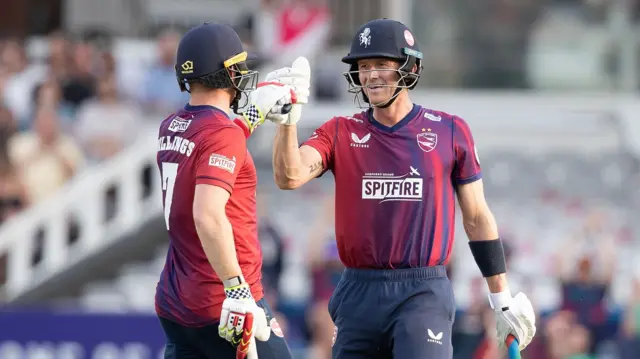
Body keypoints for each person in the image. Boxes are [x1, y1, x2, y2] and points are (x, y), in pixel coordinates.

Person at [263, 18, 536, 358]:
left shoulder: (450, 131)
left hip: (422, 291)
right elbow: (290, 176)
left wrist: (501, 299)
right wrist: (287, 124)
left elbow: (477, 218)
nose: (371, 75)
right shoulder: (339, 131)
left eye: (381, 64)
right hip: (357, 291)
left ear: (410, 66)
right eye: (363, 66)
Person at [154, 22, 305, 359]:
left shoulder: (173, 125)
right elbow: (207, 214)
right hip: (221, 298)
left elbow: (214, 141)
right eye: (238, 66)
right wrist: (236, 288)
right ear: (227, 72)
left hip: (177, 298)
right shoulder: (223, 134)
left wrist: (254, 114)